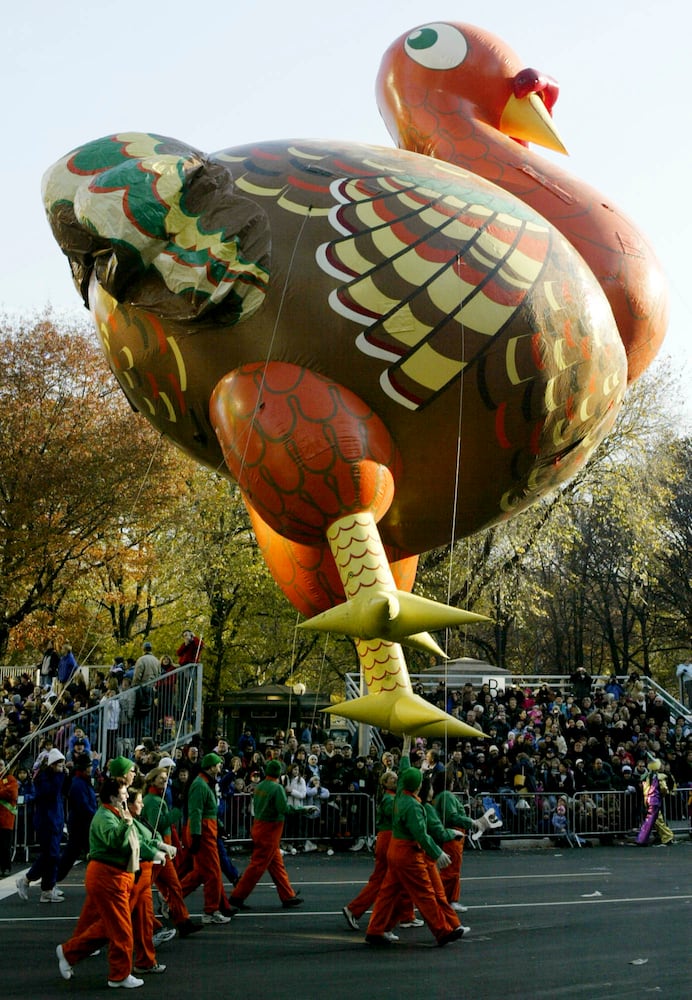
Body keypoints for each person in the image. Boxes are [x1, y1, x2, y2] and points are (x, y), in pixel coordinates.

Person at [55, 775, 167, 989]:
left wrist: (154, 848)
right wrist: (126, 826)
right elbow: (116, 842)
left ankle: (70, 952)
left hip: (118, 877)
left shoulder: (115, 813)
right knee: (122, 929)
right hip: (108, 877)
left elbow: (136, 841)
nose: (128, 796)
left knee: (110, 927)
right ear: (114, 796)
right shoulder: (105, 816)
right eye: (124, 793)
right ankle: (119, 975)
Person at [364, 742, 464, 948]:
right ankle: (442, 930)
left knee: (388, 892)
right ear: (418, 785)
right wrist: (437, 853)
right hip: (408, 854)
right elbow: (420, 834)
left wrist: (405, 747)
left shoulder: (401, 794)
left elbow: (403, 770)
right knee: (425, 893)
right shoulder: (413, 806)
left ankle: (375, 929)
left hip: (395, 849)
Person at [228, 759, 314, 912]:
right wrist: (304, 809)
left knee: (276, 865)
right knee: (257, 866)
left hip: (259, 826)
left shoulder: (260, 785)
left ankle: (287, 895)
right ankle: (237, 896)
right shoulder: (277, 788)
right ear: (279, 773)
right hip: (270, 830)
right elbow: (284, 809)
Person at [141, 765, 202, 938]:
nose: (165, 781)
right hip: (158, 848)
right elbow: (158, 824)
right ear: (152, 780)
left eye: (166, 778)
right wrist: (177, 811)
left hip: (161, 848)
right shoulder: (153, 801)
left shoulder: (154, 799)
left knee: (174, 885)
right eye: (161, 778)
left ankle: (182, 920)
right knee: (144, 889)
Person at [179, 752, 231, 924]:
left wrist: (220, 828)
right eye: (218, 765)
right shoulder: (200, 785)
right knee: (213, 872)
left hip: (207, 831)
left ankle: (172, 897)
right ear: (210, 767)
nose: (220, 768)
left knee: (201, 873)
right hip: (203, 832)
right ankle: (210, 911)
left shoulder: (204, 783)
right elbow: (196, 812)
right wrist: (195, 835)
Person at [16, 747, 66, 903]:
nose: (61, 768)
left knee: (53, 856)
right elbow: (51, 793)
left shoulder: (53, 777)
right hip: (46, 821)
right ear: (52, 764)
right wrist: (61, 776)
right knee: (50, 855)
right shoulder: (43, 779)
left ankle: (47, 889)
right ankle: (27, 879)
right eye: (59, 765)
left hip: (55, 820)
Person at [56, 751, 97, 884]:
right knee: (72, 855)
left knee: (74, 854)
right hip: (81, 824)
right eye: (90, 766)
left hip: (83, 823)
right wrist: (95, 815)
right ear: (85, 768)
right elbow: (83, 806)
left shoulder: (81, 780)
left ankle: (53, 880)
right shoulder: (79, 783)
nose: (92, 768)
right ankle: (53, 880)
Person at [133, 642, 161, 737]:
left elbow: (137, 675)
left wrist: (135, 685)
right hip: (153, 687)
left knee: (142, 711)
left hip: (143, 687)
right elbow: (159, 674)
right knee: (149, 712)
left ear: (143, 649)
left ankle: (142, 735)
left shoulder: (142, 659)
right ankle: (147, 734)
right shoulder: (156, 660)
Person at [0, 758, 19, 876]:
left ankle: (5, 867)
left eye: (1, 764)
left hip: (6, 818)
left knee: (5, 845)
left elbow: (12, 794)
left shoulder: (10, 779)